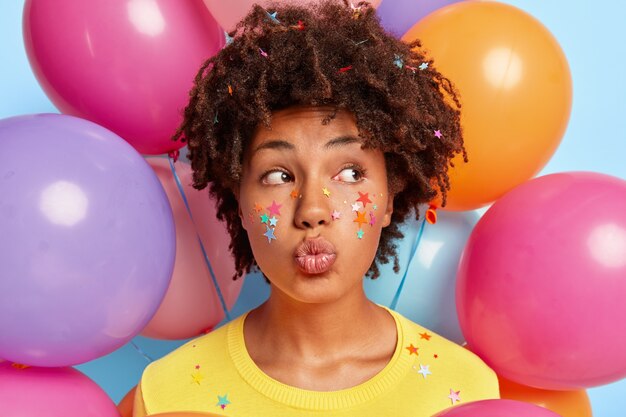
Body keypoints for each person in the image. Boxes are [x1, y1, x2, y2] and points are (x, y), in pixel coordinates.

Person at [133, 1, 499, 415]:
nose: (312, 210)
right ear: (240, 203)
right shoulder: (168, 392)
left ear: (389, 198)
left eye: (347, 174)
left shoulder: (466, 390)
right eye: (277, 176)